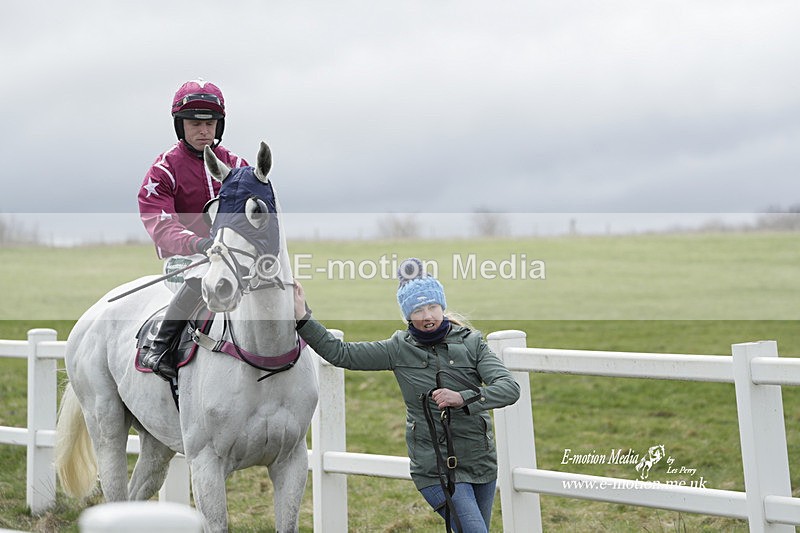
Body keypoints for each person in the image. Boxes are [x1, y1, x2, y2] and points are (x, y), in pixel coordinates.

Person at [293, 258, 520, 532]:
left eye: (432, 307)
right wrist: (303, 317)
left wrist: (463, 398)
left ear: (442, 306)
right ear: (407, 315)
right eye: (418, 309)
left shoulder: (472, 343)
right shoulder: (398, 349)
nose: (427, 316)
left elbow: (509, 388)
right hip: (435, 468)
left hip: (481, 462)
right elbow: (341, 353)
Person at [137, 79, 248, 380]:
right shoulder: (164, 170)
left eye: (210, 124)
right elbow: (161, 224)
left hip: (231, 257)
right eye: (195, 124)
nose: (204, 132)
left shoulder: (238, 167)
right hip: (186, 261)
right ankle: (158, 347)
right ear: (180, 126)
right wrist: (198, 244)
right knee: (200, 279)